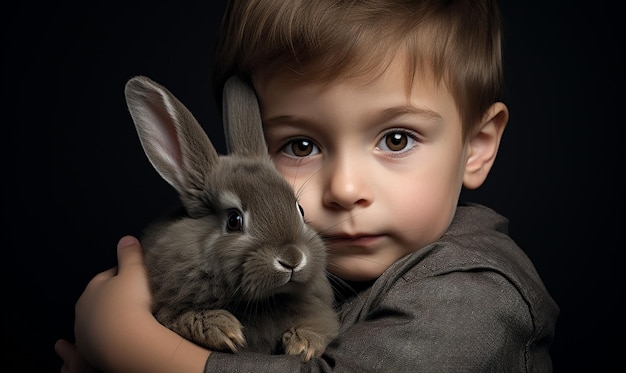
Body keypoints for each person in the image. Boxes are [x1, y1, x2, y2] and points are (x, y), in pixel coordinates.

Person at [55, 0, 560, 371]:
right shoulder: (302, 271)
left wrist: (129, 346)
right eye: (300, 147)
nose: (343, 187)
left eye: (397, 138)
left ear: (476, 146)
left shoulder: (475, 292)